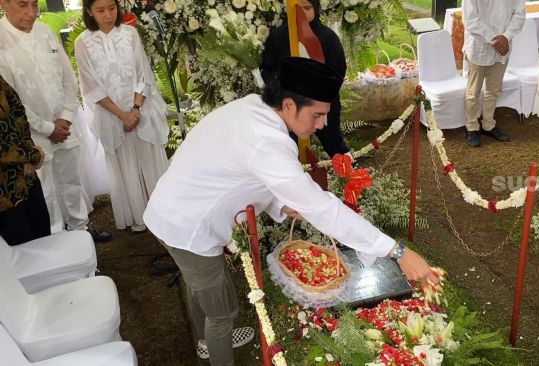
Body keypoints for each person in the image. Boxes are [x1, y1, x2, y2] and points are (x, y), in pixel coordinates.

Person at [143, 57, 440, 366]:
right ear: (287, 105)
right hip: (186, 228)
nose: (322, 124)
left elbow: (247, 172)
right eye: (317, 115)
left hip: (172, 209)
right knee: (223, 310)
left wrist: (281, 203)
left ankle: (207, 338)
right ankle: (214, 344)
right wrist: (397, 252)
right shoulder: (267, 141)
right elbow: (324, 209)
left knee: (200, 287)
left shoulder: (254, 108)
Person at [0, 0, 111, 242]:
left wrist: (67, 117)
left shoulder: (45, 31)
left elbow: (68, 79)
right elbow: (11, 102)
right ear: (4, 3)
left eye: (34, 4)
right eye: (22, 5)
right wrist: (48, 128)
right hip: (33, 136)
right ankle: (56, 242)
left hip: (64, 124)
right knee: (46, 192)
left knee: (72, 181)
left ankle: (81, 231)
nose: (31, 13)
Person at [75, 0, 169, 232]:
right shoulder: (82, 43)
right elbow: (91, 87)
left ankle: (164, 213)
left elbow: (143, 74)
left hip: (140, 110)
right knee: (124, 164)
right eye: (100, 10)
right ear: (89, 11)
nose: (107, 14)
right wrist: (121, 116)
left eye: (111, 8)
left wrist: (135, 111)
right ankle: (138, 215)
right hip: (111, 115)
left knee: (150, 159)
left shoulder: (130, 34)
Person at [260, 0, 350, 158]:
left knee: (332, 140)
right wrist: (281, 89)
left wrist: (320, 91)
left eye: (307, 8)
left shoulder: (327, 37)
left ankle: (351, 174)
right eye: (296, 9)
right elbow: (268, 67)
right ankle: (295, 173)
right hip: (290, 104)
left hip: (322, 102)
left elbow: (338, 70)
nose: (301, 14)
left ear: (316, 8)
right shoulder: (279, 36)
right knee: (289, 144)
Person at [462, 0, 525, 147]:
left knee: (494, 90)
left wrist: (506, 36)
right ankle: (471, 127)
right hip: (480, 47)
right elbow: (470, 19)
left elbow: (520, 14)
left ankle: (488, 125)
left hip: (503, 47)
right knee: (473, 92)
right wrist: (495, 40)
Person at [0, 74, 50, 245]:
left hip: (25, 177)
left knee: (43, 242)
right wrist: (33, 155)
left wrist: (29, 150)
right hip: (5, 197)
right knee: (22, 258)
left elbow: (18, 110)